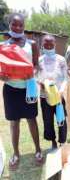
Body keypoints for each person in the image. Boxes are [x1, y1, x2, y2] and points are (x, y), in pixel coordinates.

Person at [0, 13, 43, 169]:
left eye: (20, 25)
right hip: (11, 89)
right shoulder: (4, 46)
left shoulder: (31, 44)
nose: (17, 27)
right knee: (14, 122)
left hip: (29, 89)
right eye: (14, 24)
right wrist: (2, 76)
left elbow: (37, 64)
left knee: (32, 119)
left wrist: (33, 71)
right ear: (9, 24)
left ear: (24, 26)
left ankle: (38, 149)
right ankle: (16, 153)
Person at [38, 34, 67, 150]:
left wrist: (61, 91)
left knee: (61, 119)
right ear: (42, 45)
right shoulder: (39, 60)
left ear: (55, 44)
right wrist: (40, 84)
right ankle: (53, 141)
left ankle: (62, 142)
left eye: (51, 44)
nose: (48, 46)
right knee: (47, 120)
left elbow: (65, 78)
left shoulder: (61, 59)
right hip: (45, 97)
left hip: (59, 96)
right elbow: (35, 76)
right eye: (46, 44)